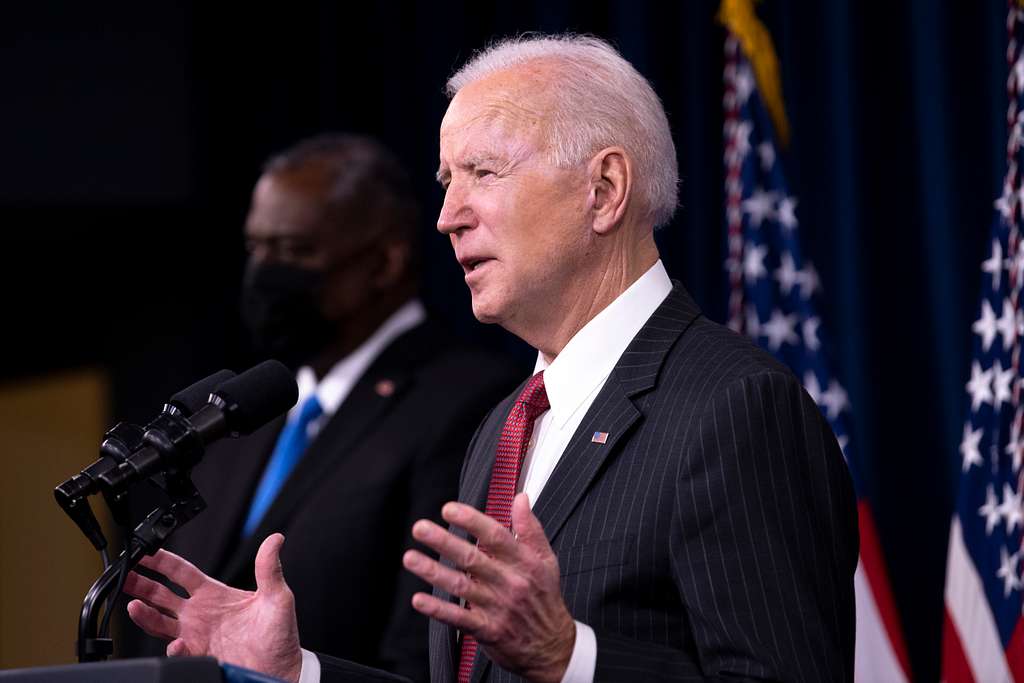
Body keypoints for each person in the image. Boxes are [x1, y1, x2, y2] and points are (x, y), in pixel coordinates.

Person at [124, 36, 858, 683]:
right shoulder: (504, 427)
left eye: (482, 171)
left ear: (603, 191)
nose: (447, 216)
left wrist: (574, 658)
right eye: (448, 182)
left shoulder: (734, 406)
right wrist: (299, 670)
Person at [121, 133, 520, 682]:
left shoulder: (469, 400)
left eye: (293, 252)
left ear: (383, 262)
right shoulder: (239, 411)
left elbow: (428, 647)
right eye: (257, 248)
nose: (265, 272)